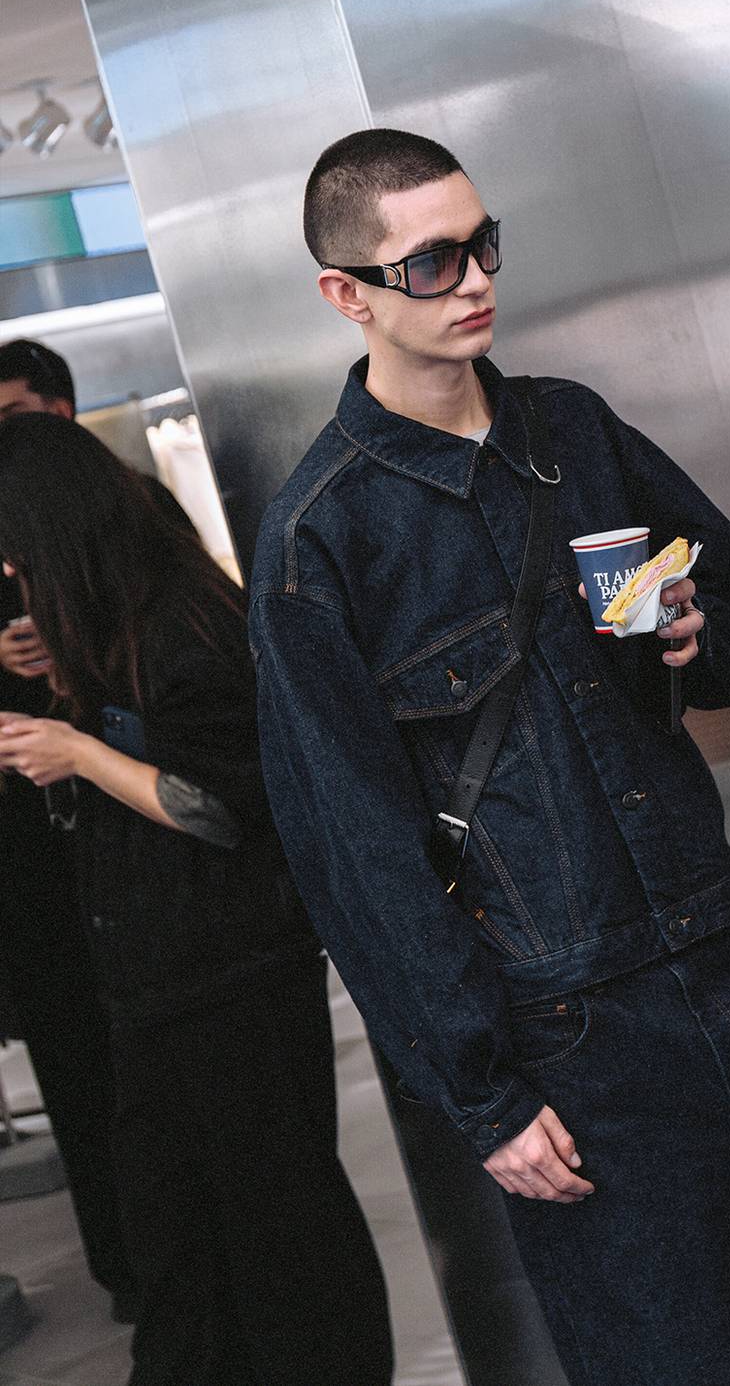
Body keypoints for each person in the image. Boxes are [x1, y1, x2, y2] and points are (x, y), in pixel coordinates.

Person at [249, 126, 730, 1386]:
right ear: (347, 296)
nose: (477, 279)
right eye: (432, 263)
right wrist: (483, 1095)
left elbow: (703, 581)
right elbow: (353, 852)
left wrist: (685, 632)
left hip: (729, 953)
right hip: (573, 1037)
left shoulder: (569, 430)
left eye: (483, 242)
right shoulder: (319, 545)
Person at [0, 414, 393, 1386]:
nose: (10, 574)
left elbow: (219, 805)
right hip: (156, 986)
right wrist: (71, 685)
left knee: (280, 1236)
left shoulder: (186, 621)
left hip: (230, 976)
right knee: (179, 1241)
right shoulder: (124, 627)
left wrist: (79, 751)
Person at [0, 339, 137, 1321]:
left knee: (143, 1058)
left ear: (57, 411)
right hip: (29, 860)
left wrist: (66, 659)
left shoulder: (126, 519)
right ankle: (126, 1268)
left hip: (130, 830)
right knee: (74, 1060)